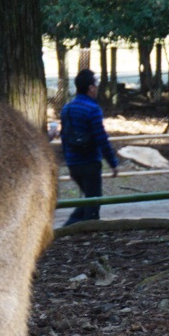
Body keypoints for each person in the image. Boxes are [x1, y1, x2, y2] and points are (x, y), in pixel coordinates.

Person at [58, 69, 119, 227]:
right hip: (90, 162)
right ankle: (78, 232)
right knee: (93, 203)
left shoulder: (67, 109)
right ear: (91, 87)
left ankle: (71, 229)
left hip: (73, 163)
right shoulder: (92, 109)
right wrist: (112, 163)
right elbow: (101, 138)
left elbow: (64, 137)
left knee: (88, 200)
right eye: (96, 84)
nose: (97, 87)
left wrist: (68, 160)